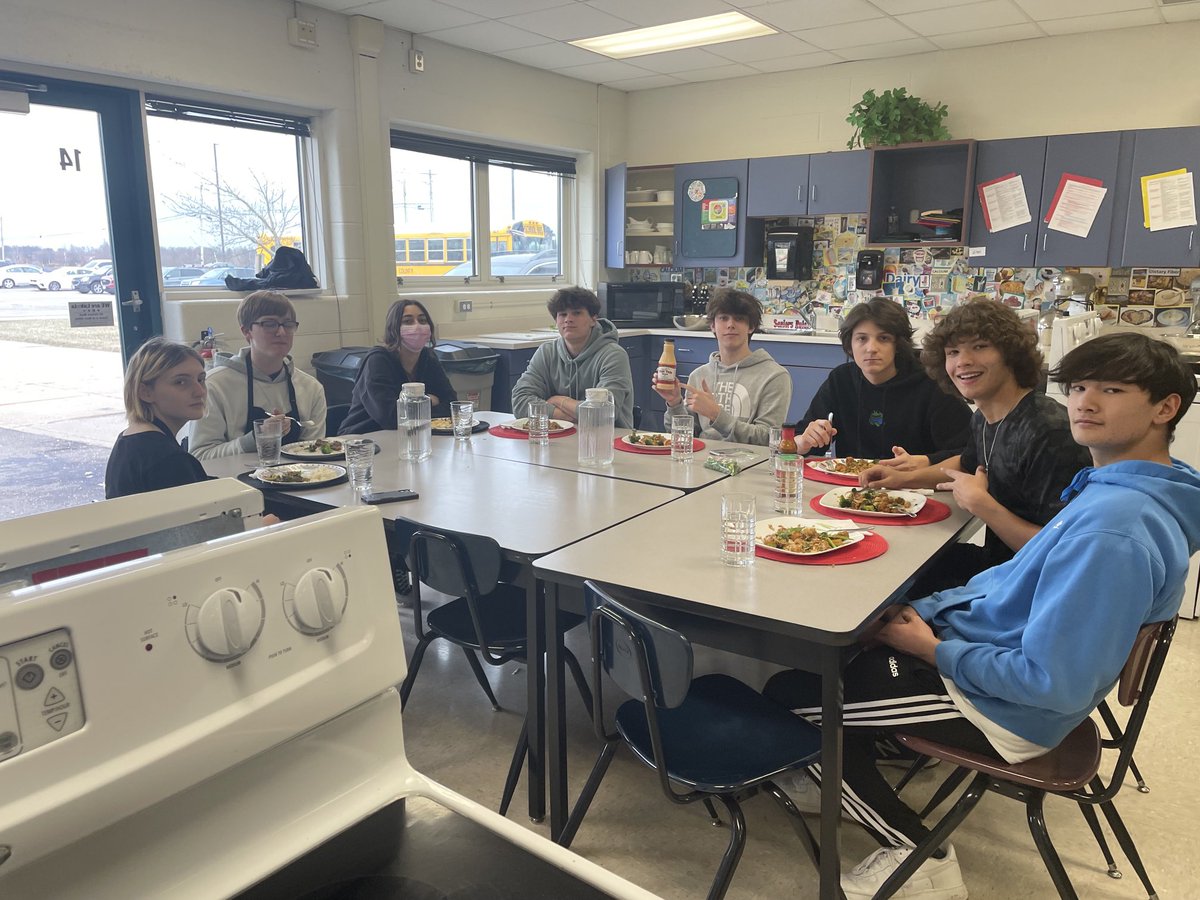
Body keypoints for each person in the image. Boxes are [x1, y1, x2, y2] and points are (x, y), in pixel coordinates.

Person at [765, 332, 1200, 899]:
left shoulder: (1114, 530)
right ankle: (852, 759)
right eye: (1077, 387)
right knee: (848, 644)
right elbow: (1010, 584)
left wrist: (929, 648)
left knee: (795, 694)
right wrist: (921, 615)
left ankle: (921, 860)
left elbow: (1050, 684)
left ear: (1166, 408)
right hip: (988, 655)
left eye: (1112, 390)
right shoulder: (1128, 489)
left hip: (1005, 708)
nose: (1085, 403)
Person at [860, 299, 1092, 586]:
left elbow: (1061, 555)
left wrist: (982, 505)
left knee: (890, 589)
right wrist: (902, 479)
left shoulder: (1049, 432)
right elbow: (967, 463)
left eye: (980, 346)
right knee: (889, 562)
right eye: (953, 352)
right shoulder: (984, 418)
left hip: (1027, 585)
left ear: (1011, 354)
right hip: (1000, 566)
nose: (963, 361)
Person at [794, 297, 970, 462]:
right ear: (850, 345)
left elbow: (968, 452)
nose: (871, 348)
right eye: (862, 338)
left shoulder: (932, 383)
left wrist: (925, 463)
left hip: (916, 481)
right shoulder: (841, 380)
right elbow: (802, 442)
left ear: (898, 344)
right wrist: (805, 441)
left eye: (883, 338)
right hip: (852, 482)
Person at [189, 290, 326, 459]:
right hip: (235, 477)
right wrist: (255, 439)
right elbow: (200, 456)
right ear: (246, 331)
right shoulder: (214, 386)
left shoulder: (311, 388)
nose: (281, 332)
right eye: (270, 324)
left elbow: (316, 456)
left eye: (288, 324)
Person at [654, 288, 790, 445]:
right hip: (702, 457)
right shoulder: (699, 375)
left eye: (739, 319)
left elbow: (769, 439)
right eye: (723, 318)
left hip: (751, 459)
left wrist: (716, 414)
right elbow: (683, 438)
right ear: (712, 326)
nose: (730, 325)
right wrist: (674, 403)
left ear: (751, 327)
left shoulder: (774, 376)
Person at [511, 286, 635, 428]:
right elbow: (520, 402)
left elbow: (602, 414)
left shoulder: (613, 355)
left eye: (576, 313)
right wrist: (566, 416)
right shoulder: (546, 352)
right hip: (558, 437)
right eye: (562, 314)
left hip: (608, 437)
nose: (568, 319)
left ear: (593, 319)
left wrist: (560, 401)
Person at [105, 337, 210, 498]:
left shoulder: (129, 440)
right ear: (145, 392)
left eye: (200, 380)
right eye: (181, 382)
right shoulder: (168, 460)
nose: (200, 391)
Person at [338, 299, 456, 435]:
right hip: (362, 438)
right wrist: (428, 401)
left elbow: (451, 406)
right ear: (394, 328)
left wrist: (409, 409)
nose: (417, 326)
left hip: (411, 435)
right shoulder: (378, 360)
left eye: (422, 320)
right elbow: (390, 417)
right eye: (408, 321)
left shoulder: (428, 357)